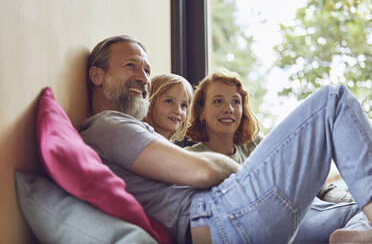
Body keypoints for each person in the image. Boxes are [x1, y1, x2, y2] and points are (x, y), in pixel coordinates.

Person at [79, 35, 372, 244]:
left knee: (351, 209)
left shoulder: (126, 129)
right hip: (221, 217)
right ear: (96, 75)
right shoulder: (108, 124)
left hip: (227, 218)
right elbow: (202, 171)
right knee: (332, 102)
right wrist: (252, 175)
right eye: (131, 65)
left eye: (146, 69)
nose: (143, 77)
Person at [185, 71, 370, 243]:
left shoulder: (254, 145)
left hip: (304, 214)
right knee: (335, 96)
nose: (229, 109)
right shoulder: (193, 157)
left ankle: (349, 238)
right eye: (218, 101)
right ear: (201, 111)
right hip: (269, 221)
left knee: (358, 209)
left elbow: (302, 176)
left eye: (236, 102)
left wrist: (340, 197)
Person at [143, 73, 193, 142]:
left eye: (183, 105)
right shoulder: (143, 140)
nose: (178, 111)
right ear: (150, 103)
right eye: (169, 101)